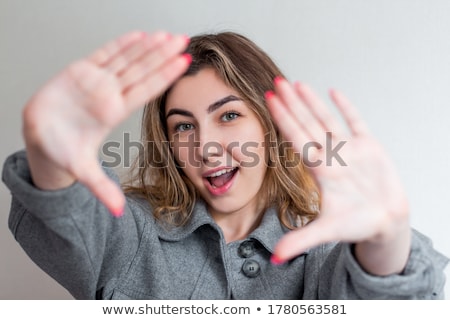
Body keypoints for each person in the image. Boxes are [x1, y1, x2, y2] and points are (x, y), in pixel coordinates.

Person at [2, 30, 448, 300]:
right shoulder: (132, 232)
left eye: (229, 115)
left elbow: (383, 295)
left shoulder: (326, 250)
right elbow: (69, 221)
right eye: (183, 127)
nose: (207, 147)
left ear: (272, 125)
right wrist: (52, 160)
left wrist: (385, 241)